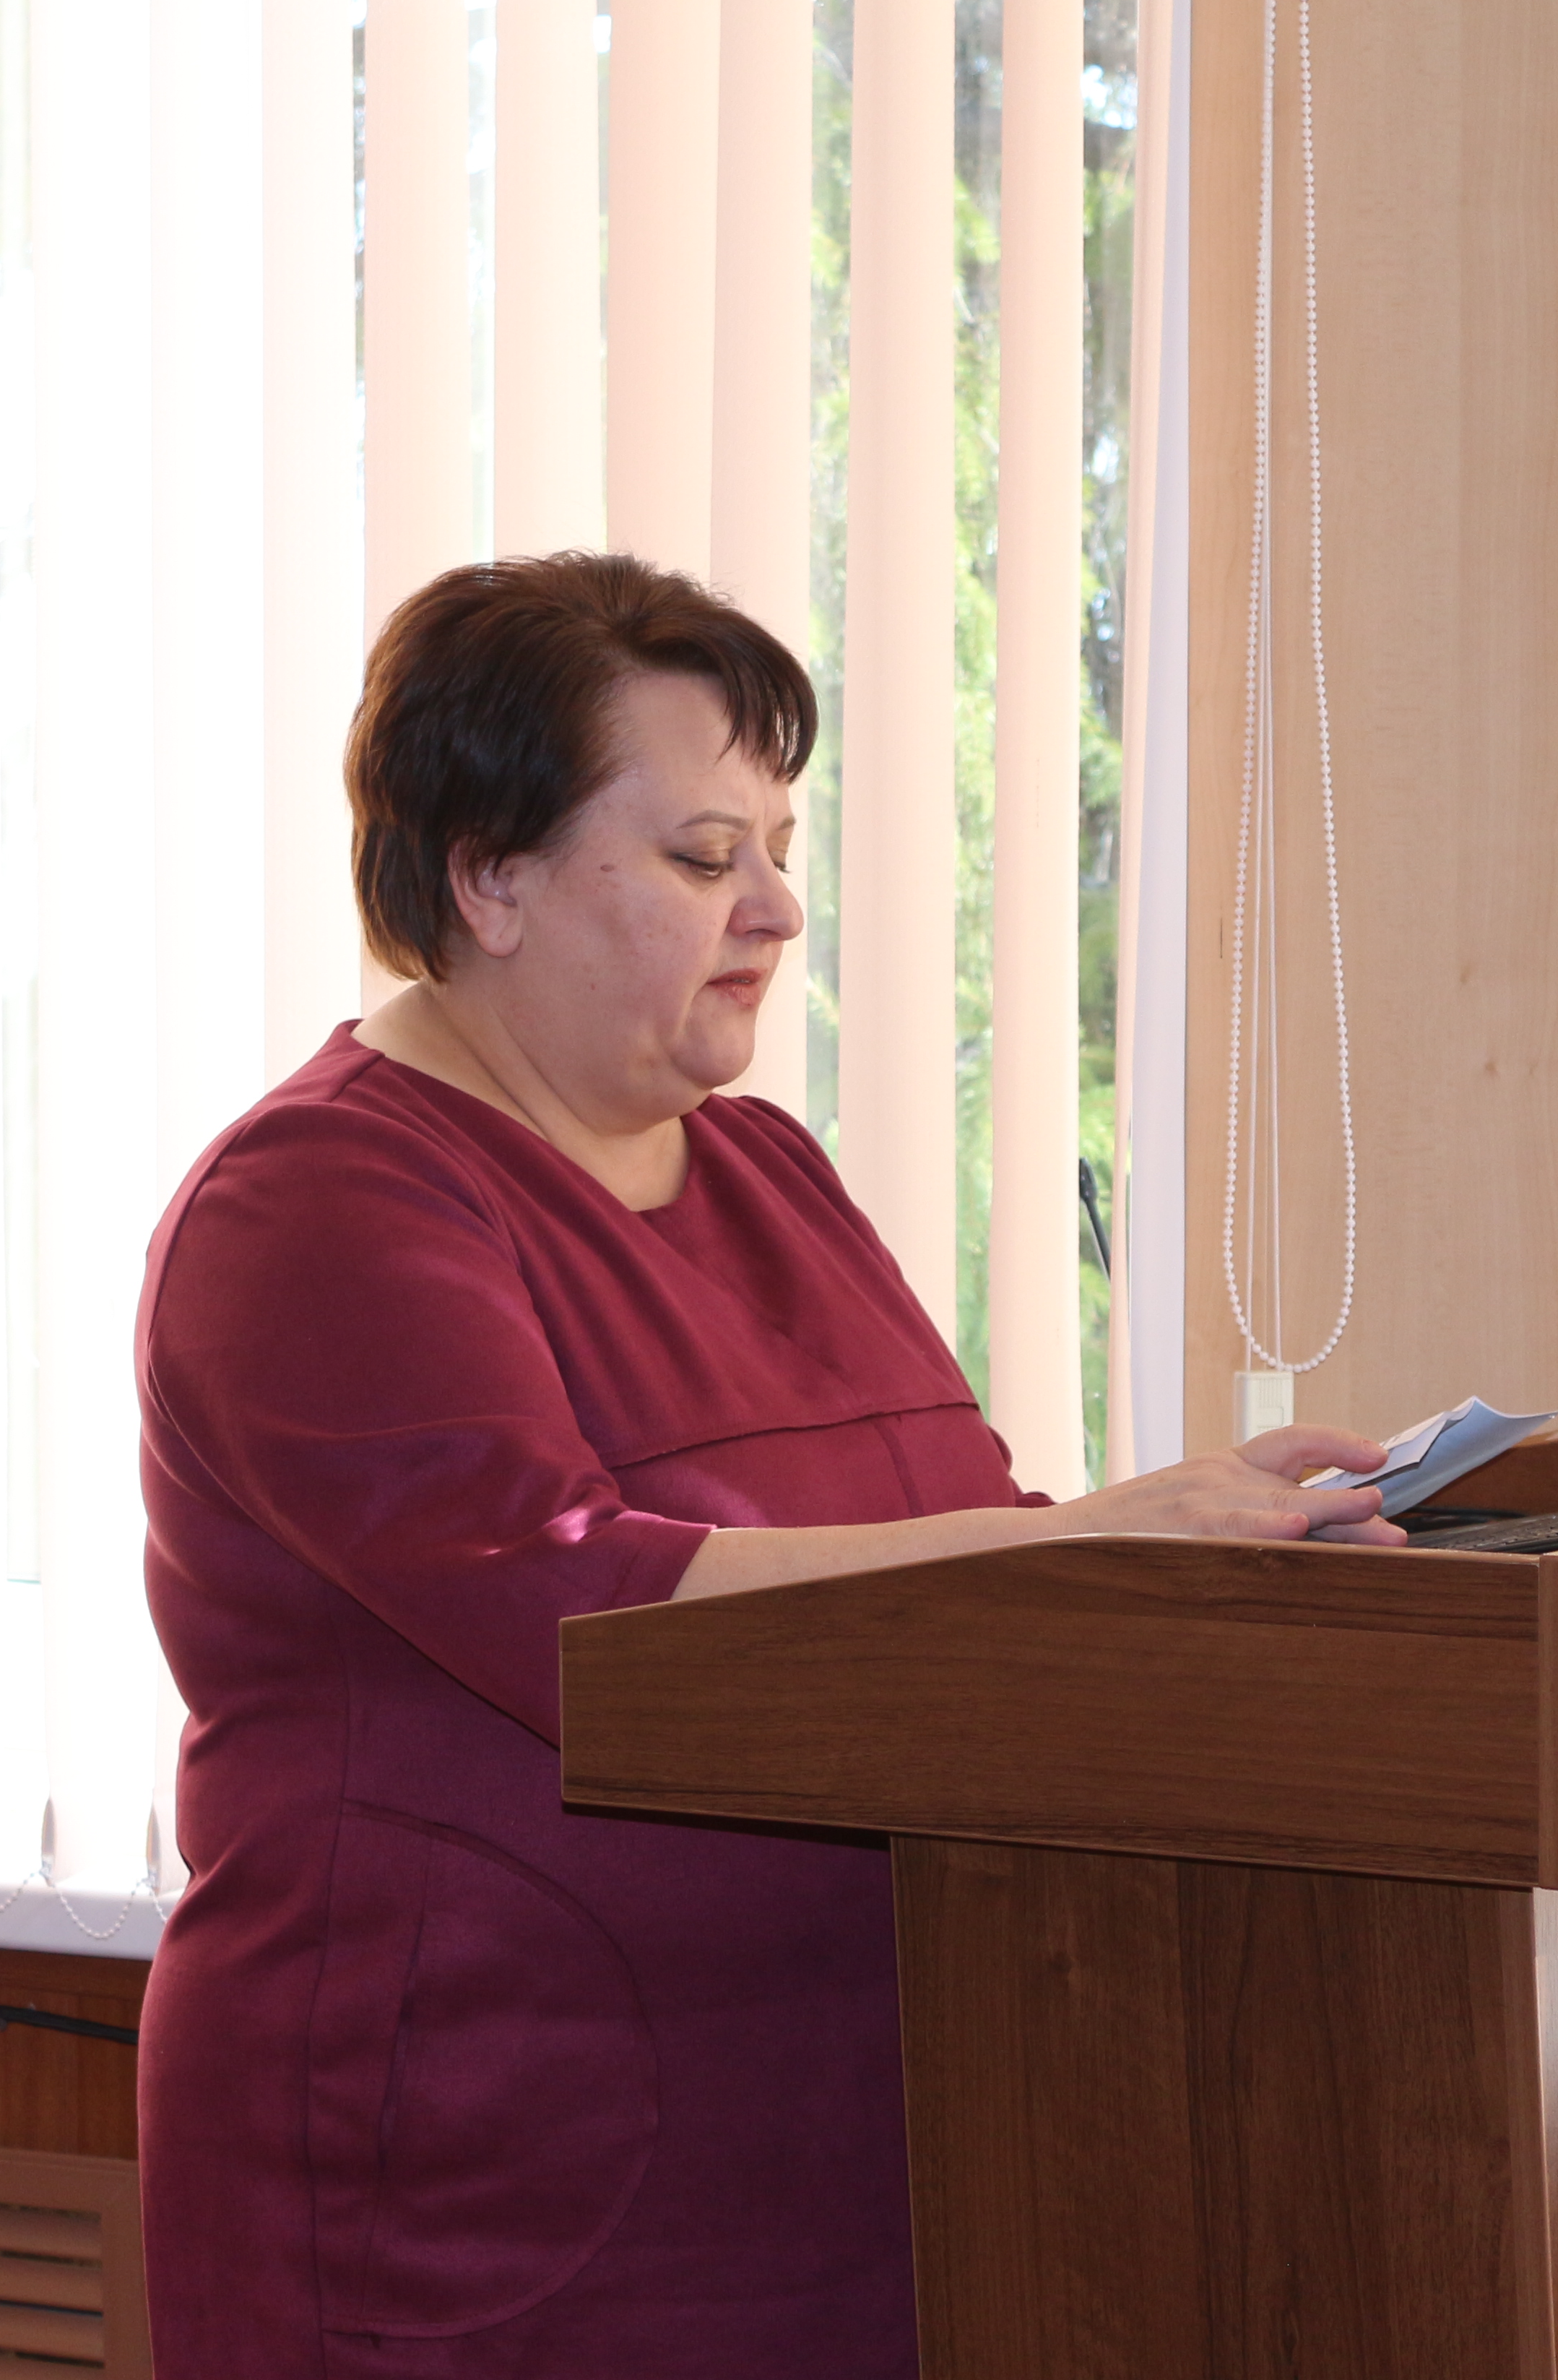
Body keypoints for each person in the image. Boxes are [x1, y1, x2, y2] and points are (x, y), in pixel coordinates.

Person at [134, 552, 1400, 2377]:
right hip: (482, 2201)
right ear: (489, 878)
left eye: (778, 851)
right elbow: (589, 1610)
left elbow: (950, 1542)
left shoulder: (767, 1173)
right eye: (703, 857)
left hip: (860, 2151)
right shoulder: (322, 1202)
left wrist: (1206, 1546)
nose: (778, 910)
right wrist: (1092, 1551)